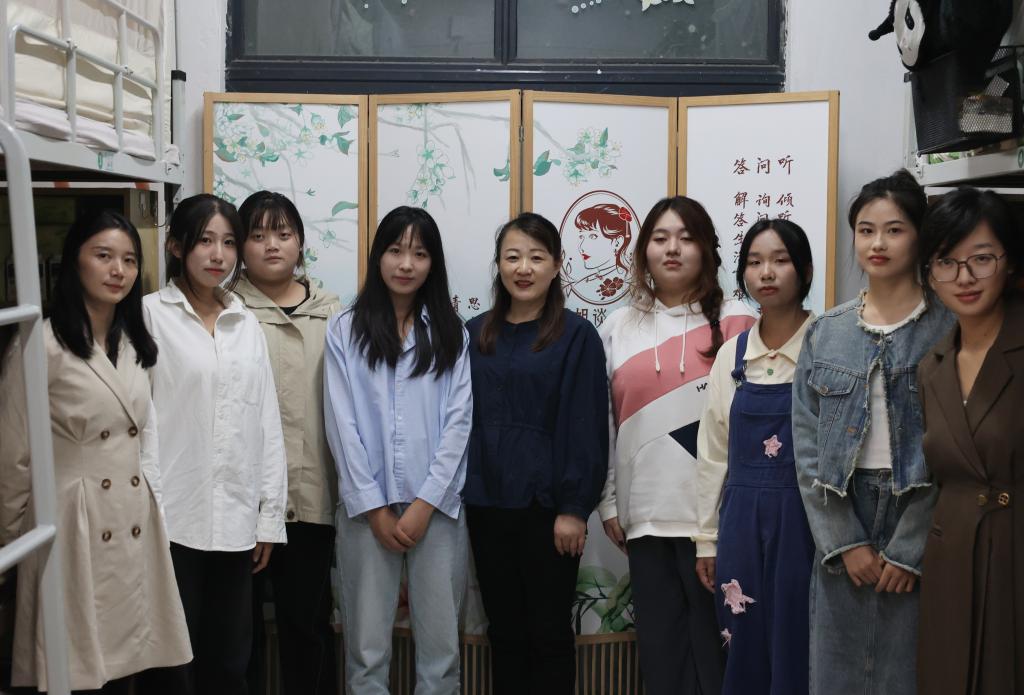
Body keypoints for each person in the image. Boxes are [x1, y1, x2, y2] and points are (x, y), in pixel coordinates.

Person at [0, 211, 191, 693]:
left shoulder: (135, 343)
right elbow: (13, 457)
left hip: (130, 519)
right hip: (69, 525)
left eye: (129, 260)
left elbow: (142, 436)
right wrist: (12, 546)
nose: (118, 270)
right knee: (76, 672)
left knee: (125, 669)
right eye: (103, 256)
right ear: (75, 261)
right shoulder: (39, 344)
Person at [792, 170, 954, 695]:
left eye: (894, 229)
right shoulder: (826, 331)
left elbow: (955, 451)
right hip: (845, 508)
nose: (877, 243)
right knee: (835, 673)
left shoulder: (950, 327)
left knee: (909, 672)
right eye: (865, 230)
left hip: (920, 511)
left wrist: (909, 548)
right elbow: (807, 448)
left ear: (920, 237)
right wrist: (843, 541)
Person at [598, 195, 756, 695]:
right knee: (662, 654)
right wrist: (608, 501)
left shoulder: (738, 321)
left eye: (686, 239)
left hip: (717, 520)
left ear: (706, 249)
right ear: (643, 250)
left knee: (719, 653)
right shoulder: (618, 327)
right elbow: (604, 423)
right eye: (661, 238)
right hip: (645, 518)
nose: (672, 249)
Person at [143, 194, 287, 695]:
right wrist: (151, 511)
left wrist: (268, 517)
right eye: (205, 240)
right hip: (171, 518)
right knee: (171, 663)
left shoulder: (245, 322)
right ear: (176, 245)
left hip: (235, 519)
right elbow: (141, 423)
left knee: (229, 661)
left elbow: (266, 423)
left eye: (228, 242)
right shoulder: (149, 316)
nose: (218, 255)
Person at [324, 205, 471, 695]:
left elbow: (458, 425)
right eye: (395, 250)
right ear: (378, 257)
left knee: (441, 657)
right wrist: (374, 508)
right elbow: (342, 425)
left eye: (419, 253)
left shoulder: (451, 332)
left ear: (433, 263)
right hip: (367, 512)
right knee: (365, 655)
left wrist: (426, 503)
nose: (406, 264)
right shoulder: (345, 329)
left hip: (438, 512)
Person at [465, 212, 609, 694]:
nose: (523, 268)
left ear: (556, 265)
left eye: (536, 257)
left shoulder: (576, 336)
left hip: (547, 512)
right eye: (512, 257)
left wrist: (574, 508)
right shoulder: (474, 334)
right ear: (499, 265)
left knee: (548, 635)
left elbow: (586, 426)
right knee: (504, 633)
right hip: (486, 504)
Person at [695, 218, 816, 695]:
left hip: (806, 520)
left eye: (780, 260)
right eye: (754, 262)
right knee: (741, 640)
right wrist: (706, 541)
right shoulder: (733, 354)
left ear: (804, 270)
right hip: (741, 521)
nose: (766, 272)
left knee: (798, 641)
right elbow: (712, 453)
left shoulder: (825, 344)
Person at [915, 188, 1024, 694]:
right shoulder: (932, 367)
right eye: (946, 262)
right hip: (952, 561)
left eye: (981, 259)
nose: (964, 277)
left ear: (1009, 261)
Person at [235, 191, 340, 695]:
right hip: (240, 500)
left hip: (312, 496)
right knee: (239, 633)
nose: (271, 245)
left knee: (308, 625)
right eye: (257, 235)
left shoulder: (333, 314)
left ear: (300, 243)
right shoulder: (225, 310)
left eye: (283, 234)